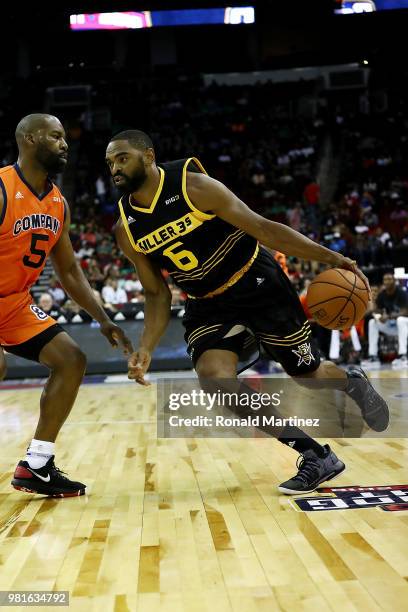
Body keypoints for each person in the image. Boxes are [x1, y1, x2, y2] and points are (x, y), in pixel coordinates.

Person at [105, 129, 389, 495]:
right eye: (110, 162)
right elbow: (155, 292)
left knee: (309, 374)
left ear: (148, 156)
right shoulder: (125, 228)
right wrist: (146, 347)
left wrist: (333, 258)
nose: (115, 167)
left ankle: (351, 382)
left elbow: (262, 228)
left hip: (257, 283)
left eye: (122, 158)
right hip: (208, 302)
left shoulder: (194, 187)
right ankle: (315, 454)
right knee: (214, 378)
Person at [0, 114, 132, 498]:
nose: (64, 143)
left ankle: (36, 465)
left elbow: (70, 271)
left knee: (71, 359)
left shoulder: (58, 203)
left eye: (64, 137)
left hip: (14, 304)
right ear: (28, 139)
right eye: (55, 136)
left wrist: (104, 319)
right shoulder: (3, 187)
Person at [363, 273, 408, 368]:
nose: (387, 282)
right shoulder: (382, 295)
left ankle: (403, 355)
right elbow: (378, 310)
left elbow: (405, 312)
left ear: (394, 281)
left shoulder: (401, 293)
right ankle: (373, 356)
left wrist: (389, 316)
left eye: (389, 279)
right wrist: (379, 316)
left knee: (400, 320)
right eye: (385, 280)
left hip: (403, 325)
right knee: (372, 322)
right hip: (391, 325)